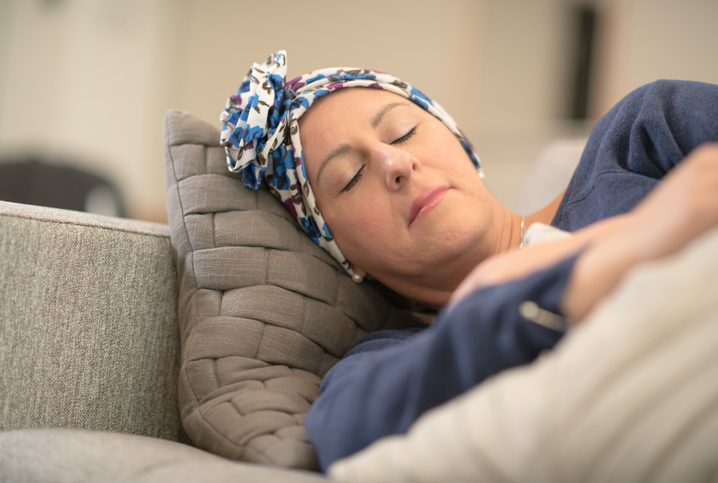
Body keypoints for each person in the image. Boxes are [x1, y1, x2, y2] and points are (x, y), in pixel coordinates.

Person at [220, 50, 718, 471]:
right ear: (340, 251)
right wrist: (582, 275)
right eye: (350, 177)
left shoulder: (637, 138)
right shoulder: (390, 357)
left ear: (459, 140)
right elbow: (344, 428)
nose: (395, 164)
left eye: (402, 132)